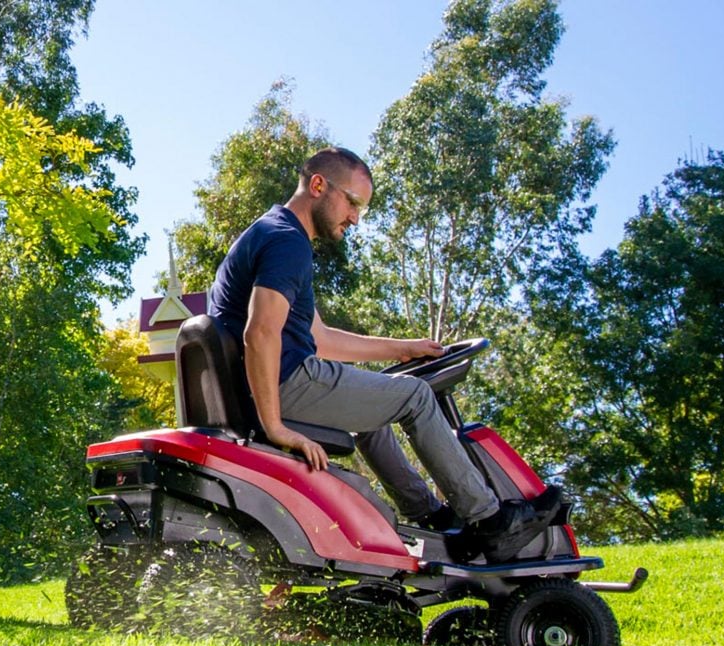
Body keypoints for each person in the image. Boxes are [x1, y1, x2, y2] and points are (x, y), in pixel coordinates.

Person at [209, 147, 554, 563]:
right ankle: (492, 522)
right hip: (282, 383)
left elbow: (319, 337)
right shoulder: (287, 243)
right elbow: (260, 333)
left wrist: (404, 347)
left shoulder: (273, 233)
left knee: (374, 416)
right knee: (415, 396)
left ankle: (429, 517)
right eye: (352, 203)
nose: (355, 218)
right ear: (318, 185)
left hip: (277, 379)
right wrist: (277, 427)